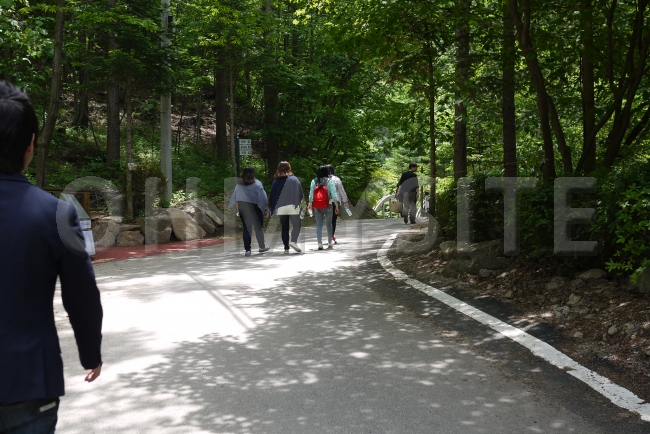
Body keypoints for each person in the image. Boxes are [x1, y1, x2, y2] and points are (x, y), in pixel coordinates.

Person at [0, 81, 103, 434]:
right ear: (31, 143)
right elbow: (81, 295)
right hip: (29, 379)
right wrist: (91, 354)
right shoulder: (56, 213)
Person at [229, 166, 270, 257]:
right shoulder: (257, 184)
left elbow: (237, 198)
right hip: (256, 208)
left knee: (247, 229)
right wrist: (266, 209)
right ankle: (262, 247)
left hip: (243, 208)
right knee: (258, 228)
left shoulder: (239, 185)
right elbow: (263, 198)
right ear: (253, 173)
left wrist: (238, 210)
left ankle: (248, 250)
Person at [269, 161, 303, 254]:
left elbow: (272, 196)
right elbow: (300, 193)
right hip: (293, 206)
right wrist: (300, 204)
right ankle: (293, 241)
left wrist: (273, 208)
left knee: (284, 227)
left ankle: (286, 248)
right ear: (289, 168)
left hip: (281, 208)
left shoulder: (276, 181)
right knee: (297, 225)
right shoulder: (294, 179)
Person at [308, 165, 339, 250]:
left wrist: (310, 204)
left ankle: (319, 243)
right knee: (329, 224)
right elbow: (334, 195)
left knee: (319, 224)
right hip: (328, 205)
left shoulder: (314, 181)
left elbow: (311, 195)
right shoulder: (329, 181)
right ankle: (329, 242)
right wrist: (336, 205)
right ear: (327, 172)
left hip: (317, 206)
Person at [324, 164, 349, 244]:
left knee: (328, 220)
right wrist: (345, 201)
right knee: (333, 220)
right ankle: (331, 236)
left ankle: (331, 235)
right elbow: (342, 191)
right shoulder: (336, 179)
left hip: (325, 202)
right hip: (336, 202)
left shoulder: (322, 180)